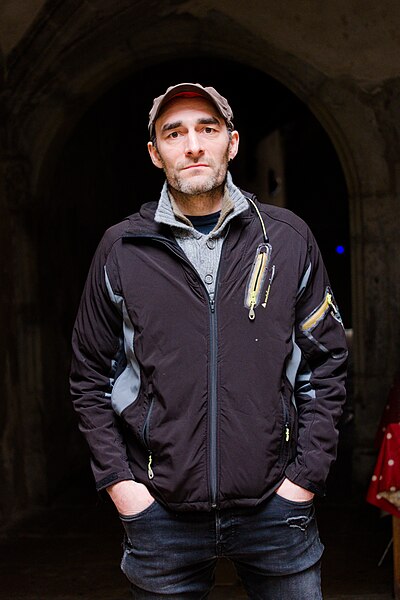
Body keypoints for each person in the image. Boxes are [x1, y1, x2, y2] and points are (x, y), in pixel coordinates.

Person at [70, 82, 348, 599]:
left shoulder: (287, 238)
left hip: (277, 509)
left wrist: (304, 479)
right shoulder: (121, 248)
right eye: (174, 133)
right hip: (160, 514)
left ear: (232, 143)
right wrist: (122, 486)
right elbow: (90, 378)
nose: (193, 145)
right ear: (155, 153)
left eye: (207, 129)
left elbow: (326, 363)